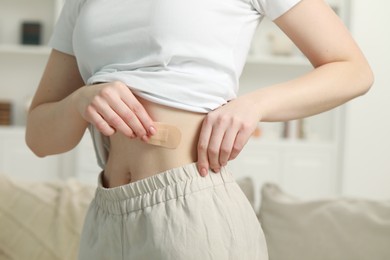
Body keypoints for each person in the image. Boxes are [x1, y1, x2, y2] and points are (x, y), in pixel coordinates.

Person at [25, 0, 373, 259]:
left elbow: (353, 70)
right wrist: (80, 100)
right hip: (106, 217)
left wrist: (253, 106)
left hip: (191, 210)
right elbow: (39, 138)